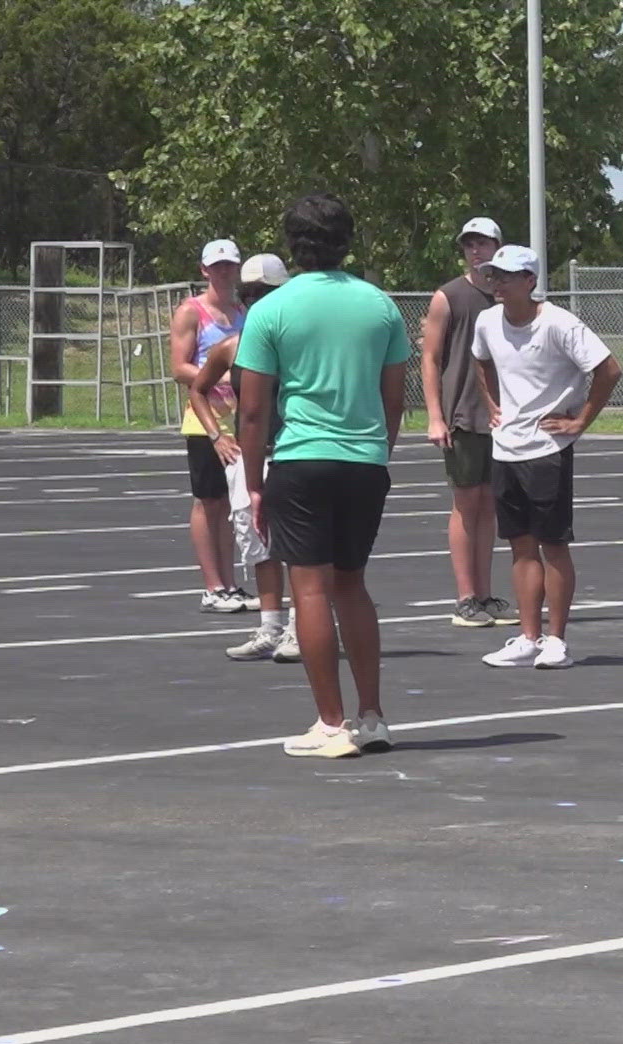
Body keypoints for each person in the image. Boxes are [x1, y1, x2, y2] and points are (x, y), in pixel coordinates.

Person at [235, 192, 410, 759]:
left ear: (293, 243)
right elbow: (393, 400)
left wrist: (255, 479)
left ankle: (331, 723)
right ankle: (373, 716)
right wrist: (376, 451)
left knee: (309, 587)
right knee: (352, 585)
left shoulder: (271, 309)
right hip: (364, 460)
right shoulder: (381, 305)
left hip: (302, 458)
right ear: (346, 241)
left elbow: (254, 410)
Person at [472, 245, 622, 670]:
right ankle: (528, 636)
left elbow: (608, 370)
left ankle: (556, 639)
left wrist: (580, 422)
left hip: (547, 451)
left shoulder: (559, 324)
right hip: (505, 449)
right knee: (520, 547)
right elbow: (480, 361)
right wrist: (492, 404)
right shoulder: (486, 322)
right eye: (493, 275)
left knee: (553, 545)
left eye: (506, 275)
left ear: (530, 281)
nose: (497, 282)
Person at [187, 253, 300, 663]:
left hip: (293, 454)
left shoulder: (298, 343)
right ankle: (270, 626)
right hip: (248, 459)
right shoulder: (232, 346)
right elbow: (197, 389)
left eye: (266, 293)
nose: (257, 301)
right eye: (249, 293)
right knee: (258, 546)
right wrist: (216, 435)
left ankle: (301, 628)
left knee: (297, 547)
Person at [420, 216, 514, 629]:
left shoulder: (508, 296)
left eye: (483, 244)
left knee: (489, 506)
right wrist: (436, 416)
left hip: (503, 417)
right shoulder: (450, 297)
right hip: (463, 415)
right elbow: (430, 358)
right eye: (469, 244)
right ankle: (465, 597)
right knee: (465, 504)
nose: (476, 251)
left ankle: (485, 592)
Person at [170, 239, 251, 613]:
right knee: (209, 501)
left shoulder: (242, 311)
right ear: (204, 270)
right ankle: (212, 585)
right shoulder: (192, 312)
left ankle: (230, 583)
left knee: (232, 504)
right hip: (205, 419)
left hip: (240, 417)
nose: (223, 271)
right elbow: (179, 367)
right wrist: (216, 375)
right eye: (216, 266)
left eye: (230, 265)